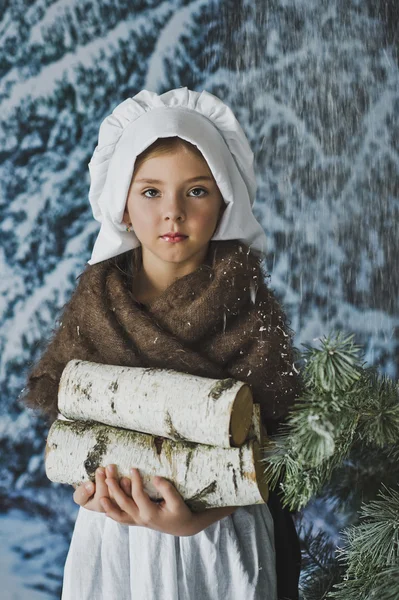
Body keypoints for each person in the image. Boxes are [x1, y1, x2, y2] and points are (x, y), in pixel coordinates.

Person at [21, 87, 303, 599]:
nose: (172, 212)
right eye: (150, 191)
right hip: (115, 545)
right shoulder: (95, 308)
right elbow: (75, 428)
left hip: (219, 543)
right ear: (123, 205)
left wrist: (201, 519)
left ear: (224, 201)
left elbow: (279, 451)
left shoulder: (251, 311)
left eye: (195, 191)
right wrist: (93, 489)